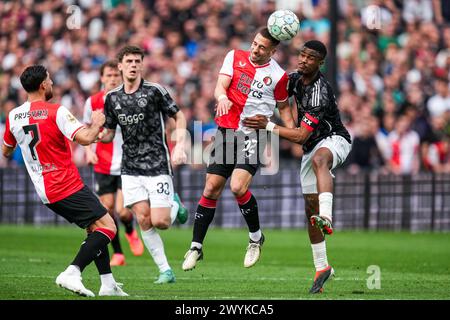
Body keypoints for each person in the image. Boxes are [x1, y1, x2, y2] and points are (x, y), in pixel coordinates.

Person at [2, 65, 128, 297]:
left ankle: (108, 284)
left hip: (45, 190)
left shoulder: (12, 116)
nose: (52, 84)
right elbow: (86, 138)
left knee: (94, 227)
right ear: (42, 85)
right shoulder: (56, 111)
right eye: (49, 80)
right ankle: (72, 271)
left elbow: (6, 151)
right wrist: (98, 121)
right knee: (108, 227)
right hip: (65, 184)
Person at [182, 27, 296, 271]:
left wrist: (294, 132)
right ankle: (196, 247)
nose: (255, 49)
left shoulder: (279, 76)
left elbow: (284, 107)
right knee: (211, 188)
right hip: (227, 132)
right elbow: (220, 86)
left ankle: (255, 238)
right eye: (254, 44)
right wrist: (222, 97)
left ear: (272, 51)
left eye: (262, 47)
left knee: (237, 186)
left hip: (255, 134)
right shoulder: (234, 56)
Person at [244, 40, 352, 294]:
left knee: (320, 160)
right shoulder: (294, 79)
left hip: (334, 139)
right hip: (309, 148)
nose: (303, 60)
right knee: (308, 211)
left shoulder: (320, 90)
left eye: (310, 57)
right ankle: (322, 267)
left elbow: (301, 135)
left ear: (320, 63)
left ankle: (327, 215)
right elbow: (274, 91)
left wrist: (268, 125)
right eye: (302, 55)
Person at [100, 45, 188, 284]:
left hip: (158, 163)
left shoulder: (155, 91)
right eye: (128, 61)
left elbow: (178, 115)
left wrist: (180, 144)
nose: (133, 65)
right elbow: (108, 134)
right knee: (143, 218)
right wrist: (95, 133)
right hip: (130, 168)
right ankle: (166, 270)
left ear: (142, 64)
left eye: (137, 61)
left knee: (161, 222)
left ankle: (174, 203)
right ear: (120, 66)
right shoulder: (112, 98)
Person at [83, 60, 144, 266]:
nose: (112, 79)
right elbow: (84, 129)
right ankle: (118, 253)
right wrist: (88, 151)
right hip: (103, 163)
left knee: (124, 210)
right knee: (106, 210)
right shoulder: (92, 102)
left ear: (121, 76)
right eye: (108, 76)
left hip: (127, 162)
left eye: (115, 76)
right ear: (101, 78)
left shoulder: (129, 99)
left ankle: (130, 230)